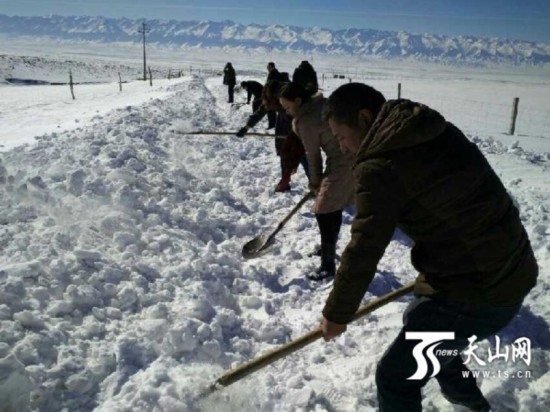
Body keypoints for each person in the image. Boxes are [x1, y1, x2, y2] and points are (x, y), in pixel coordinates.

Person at [320, 83, 539, 411]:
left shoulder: (380, 165)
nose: (343, 147)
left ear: (365, 118)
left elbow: (365, 245)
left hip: (482, 289)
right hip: (510, 268)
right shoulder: (430, 129)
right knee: (427, 330)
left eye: (341, 137)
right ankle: (474, 406)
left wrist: (337, 313)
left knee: (395, 376)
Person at [279, 82, 355, 280]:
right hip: (349, 155)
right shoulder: (321, 104)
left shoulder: (306, 121)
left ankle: (327, 266)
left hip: (343, 161)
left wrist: (315, 182)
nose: (286, 112)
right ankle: (326, 250)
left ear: (297, 101)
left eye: (287, 107)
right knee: (333, 206)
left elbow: (313, 156)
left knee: (323, 209)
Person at [236, 80, 309, 192]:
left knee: (303, 155)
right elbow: (262, 110)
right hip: (283, 126)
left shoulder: (290, 94)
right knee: (283, 153)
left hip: (301, 126)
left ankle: (316, 184)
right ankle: (285, 182)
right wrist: (246, 127)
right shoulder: (271, 98)